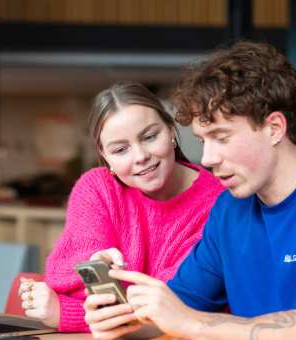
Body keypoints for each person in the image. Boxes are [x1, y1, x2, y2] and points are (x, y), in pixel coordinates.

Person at [85, 42, 296, 339]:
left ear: (274, 128)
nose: (208, 158)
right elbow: (175, 311)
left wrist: (191, 323)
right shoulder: (229, 211)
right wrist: (119, 323)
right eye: (203, 141)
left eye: (222, 137)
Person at [17, 81, 224, 332]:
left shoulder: (220, 200)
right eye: (120, 149)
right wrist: (94, 263)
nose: (139, 156)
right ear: (105, 156)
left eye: (149, 137)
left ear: (170, 131)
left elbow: (175, 303)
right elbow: (62, 277)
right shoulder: (97, 188)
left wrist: (65, 312)